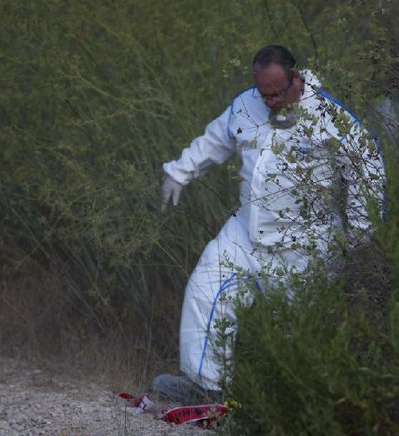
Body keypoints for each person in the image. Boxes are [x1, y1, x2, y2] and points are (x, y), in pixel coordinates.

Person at [151, 44, 385, 404]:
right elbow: (215, 140)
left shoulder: (329, 118)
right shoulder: (246, 105)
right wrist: (179, 174)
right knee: (205, 289)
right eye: (265, 94)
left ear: (296, 78)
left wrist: (359, 236)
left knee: (295, 330)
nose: (271, 102)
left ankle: (292, 408)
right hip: (245, 233)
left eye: (277, 94)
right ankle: (206, 388)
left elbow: (368, 172)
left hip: (306, 244)